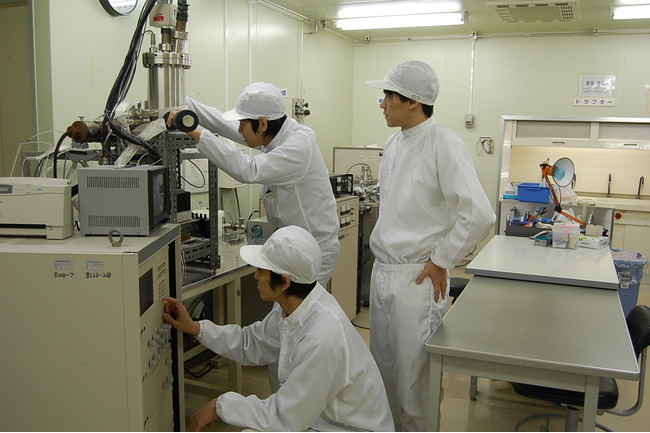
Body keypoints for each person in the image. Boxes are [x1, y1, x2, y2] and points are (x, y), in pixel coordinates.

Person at [365, 60, 496, 431]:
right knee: (384, 374)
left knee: (415, 383)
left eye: (388, 96)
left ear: (412, 101)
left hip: (418, 277)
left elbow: (479, 215)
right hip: (383, 271)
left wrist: (441, 260)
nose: (382, 103)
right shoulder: (393, 144)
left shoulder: (445, 145)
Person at [162, 226, 394, 432]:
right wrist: (195, 328)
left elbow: (286, 418)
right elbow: (251, 342)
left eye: (262, 270)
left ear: (284, 282)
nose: (255, 275)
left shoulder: (322, 336)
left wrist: (220, 405)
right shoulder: (297, 306)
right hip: (320, 418)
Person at [167, 82, 339, 287]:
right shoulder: (275, 134)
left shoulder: (298, 146)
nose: (239, 130)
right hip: (293, 246)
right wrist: (186, 105)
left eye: (243, 124)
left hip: (313, 250)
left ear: (263, 123)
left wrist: (195, 132)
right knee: (286, 305)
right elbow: (224, 124)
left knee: (301, 306)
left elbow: (249, 170)